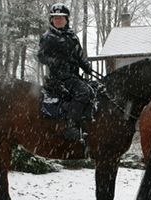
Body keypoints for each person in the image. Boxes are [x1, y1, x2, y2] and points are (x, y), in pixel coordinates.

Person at [37, 3, 93, 141]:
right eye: (55, 18)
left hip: (73, 75)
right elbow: (41, 56)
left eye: (61, 18)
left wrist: (86, 66)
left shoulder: (72, 36)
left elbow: (79, 54)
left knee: (92, 90)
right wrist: (54, 61)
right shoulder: (48, 37)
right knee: (83, 92)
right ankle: (71, 126)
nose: (58, 20)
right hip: (59, 77)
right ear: (51, 20)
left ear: (67, 19)